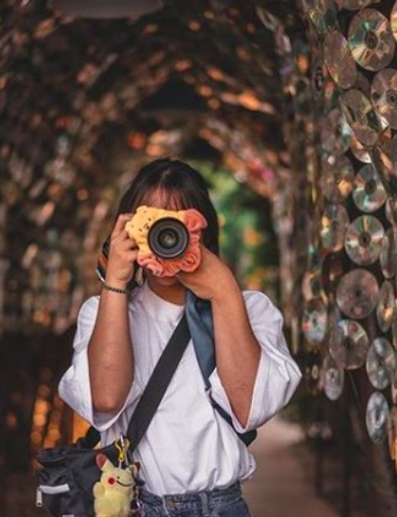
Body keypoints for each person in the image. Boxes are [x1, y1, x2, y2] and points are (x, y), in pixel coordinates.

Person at [58, 158, 302, 516]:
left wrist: (224, 292)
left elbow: (250, 408)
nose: (165, 239)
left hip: (221, 506)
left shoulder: (248, 309)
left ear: (202, 229)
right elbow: (106, 400)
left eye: (176, 225)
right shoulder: (104, 314)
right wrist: (115, 282)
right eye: (152, 225)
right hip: (138, 505)